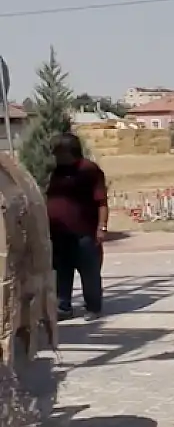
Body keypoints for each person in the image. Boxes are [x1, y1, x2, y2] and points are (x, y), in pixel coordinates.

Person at [46, 132, 108, 321]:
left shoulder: (89, 170)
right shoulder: (58, 171)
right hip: (59, 234)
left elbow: (101, 202)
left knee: (89, 272)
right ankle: (63, 307)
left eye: (58, 152)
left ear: (69, 151)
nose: (55, 156)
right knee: (61, 272)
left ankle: (93, 307)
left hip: (84, 233)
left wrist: (101, 227)